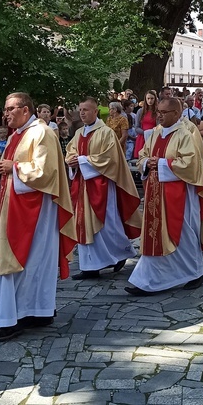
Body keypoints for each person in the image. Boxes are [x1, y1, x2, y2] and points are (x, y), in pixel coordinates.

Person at [0, 93, 76, 341]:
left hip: (36, 209)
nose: (5, 114)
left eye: (10, 109)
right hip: (17, 205)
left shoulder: (42, 133)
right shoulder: (18, 134)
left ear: (25, 110)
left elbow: (45, 172)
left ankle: (12, 318)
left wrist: (12, 169)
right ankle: (37, 311)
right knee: (32, 263)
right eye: (4, 109)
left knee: (31, 261)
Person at [125, 97, 203, 295]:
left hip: (179, 196)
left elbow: (190, 165)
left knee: (182, 235)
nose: (158, 115)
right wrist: (145, 164)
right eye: (157, 111)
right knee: (154, 234)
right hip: (155, 193)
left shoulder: (185, 135)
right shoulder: (155, 133)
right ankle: (148, 279)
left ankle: (195, 272)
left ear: (177, 114)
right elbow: (143, 155)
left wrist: (159, 163)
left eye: (164, 112)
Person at [65, 97, 142, 280]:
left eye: (86, 109)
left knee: (107, 225)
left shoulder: (106, 133)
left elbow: (110, 159)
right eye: (80, 109)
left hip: (102, 185)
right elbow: (71, 151)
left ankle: (120, 253)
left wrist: (82, 161)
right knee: (83, 224)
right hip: (82, 184)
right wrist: (72, 161)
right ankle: (90, 266)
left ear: (95, 112)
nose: (82, 113)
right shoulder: (78, 133)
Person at [133, 90, 158, 159]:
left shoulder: (157, 111)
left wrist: (152, 133)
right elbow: (136, 127)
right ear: (145, 99)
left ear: (155, 99)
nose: (150, 101)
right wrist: (145, 133)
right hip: (142, 137)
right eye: (148, 98)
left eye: (152, 98)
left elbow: (159, 126)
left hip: (154, 136)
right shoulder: (141, 111)